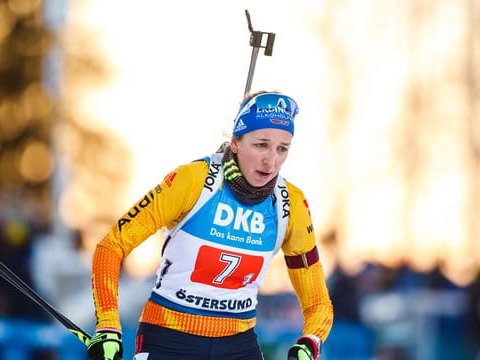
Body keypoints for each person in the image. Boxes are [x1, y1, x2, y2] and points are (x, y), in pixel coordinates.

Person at [87, 91, 334, 360]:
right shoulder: (193, 181)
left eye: (282, 148)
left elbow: (318, 303)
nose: (270, 160)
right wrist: (109, 326)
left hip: (237, 346)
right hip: (169, 339)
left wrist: (309, 344)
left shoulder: (290, 204)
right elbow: (111, 246)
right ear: (236, 142)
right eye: (261, 144)